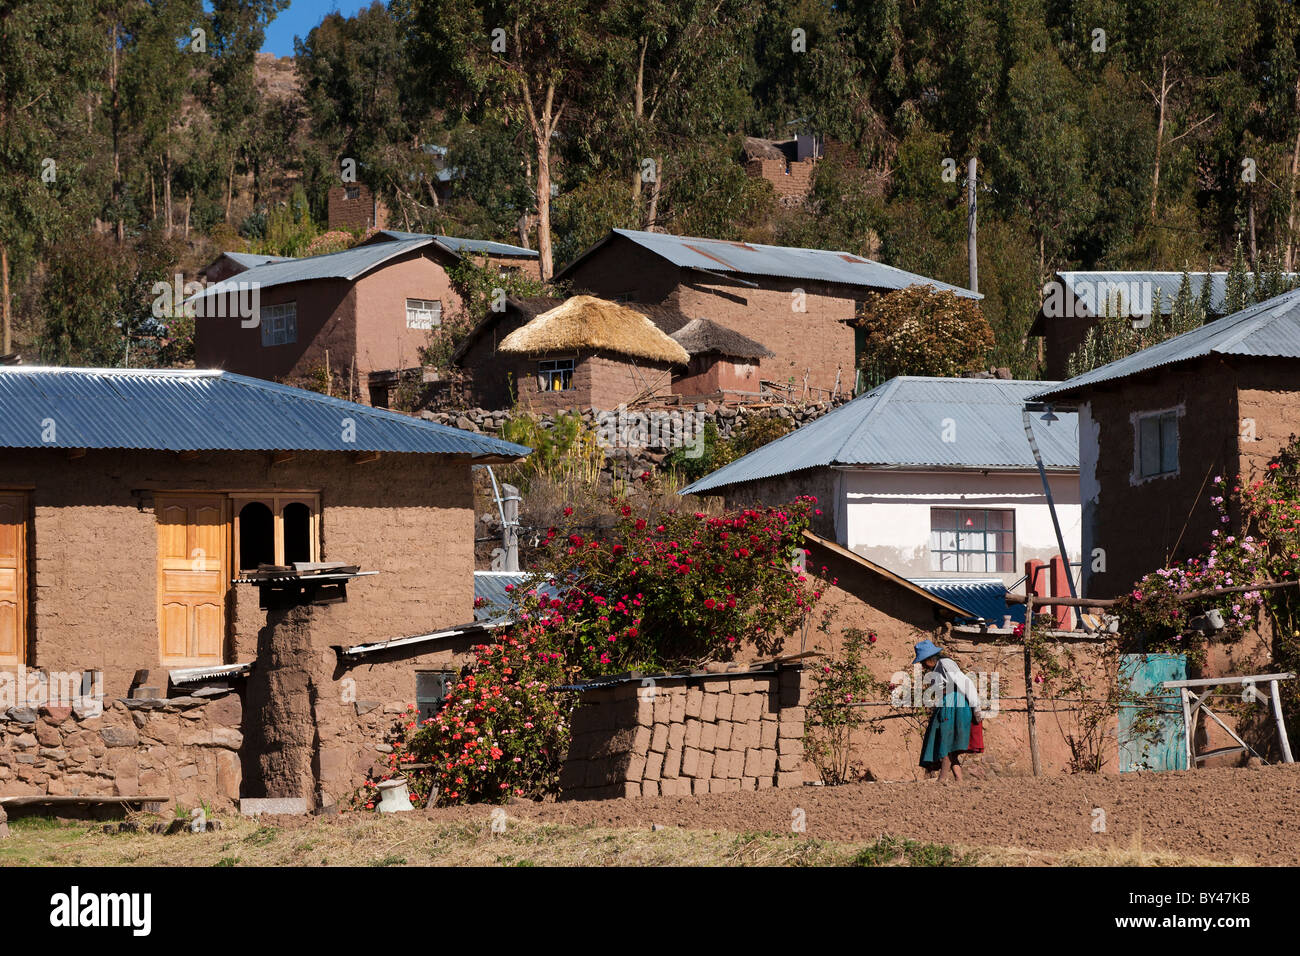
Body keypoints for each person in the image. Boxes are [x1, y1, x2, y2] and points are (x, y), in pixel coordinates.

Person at [912, 639, 983, 782]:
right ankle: (959, 780)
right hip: (947, 705)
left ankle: (942, 779)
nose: (922, 665)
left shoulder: (945, 663)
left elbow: (965, 683)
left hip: (955, 705)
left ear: (929, 659)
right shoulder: (936, 668)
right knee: (945, 742)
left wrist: (976, 707)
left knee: (946, 742)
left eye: (923, 661)